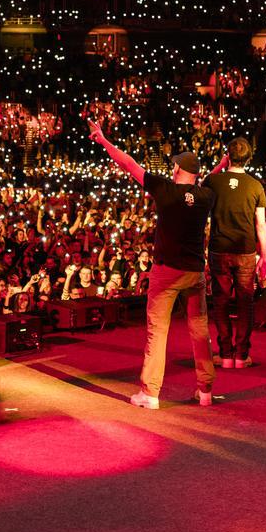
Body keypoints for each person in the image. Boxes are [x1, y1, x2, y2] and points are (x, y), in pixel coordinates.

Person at [88, 119, 216, 409]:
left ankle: (151, 393)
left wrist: (104, 141)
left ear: (178, 169)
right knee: (200, 329)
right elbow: (210, 178)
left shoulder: (164, 189)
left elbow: (129, 164)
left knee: (157, 331)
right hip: (195, 272)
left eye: (174, 165)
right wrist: (220, 165)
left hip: (166, 272)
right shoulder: (206, 196)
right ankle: (205, 391)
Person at [205, 136, 266, 369]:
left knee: (220, 301)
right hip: (246, 251)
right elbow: (260, 224)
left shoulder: (214, 181)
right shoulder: (255, 186)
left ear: (228, 156)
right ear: (249, 158)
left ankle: (225, 355)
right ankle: (241, 355)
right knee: (245, 302)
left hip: (219, 249)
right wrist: (265, 256)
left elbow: (200, 184)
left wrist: (220, 166)